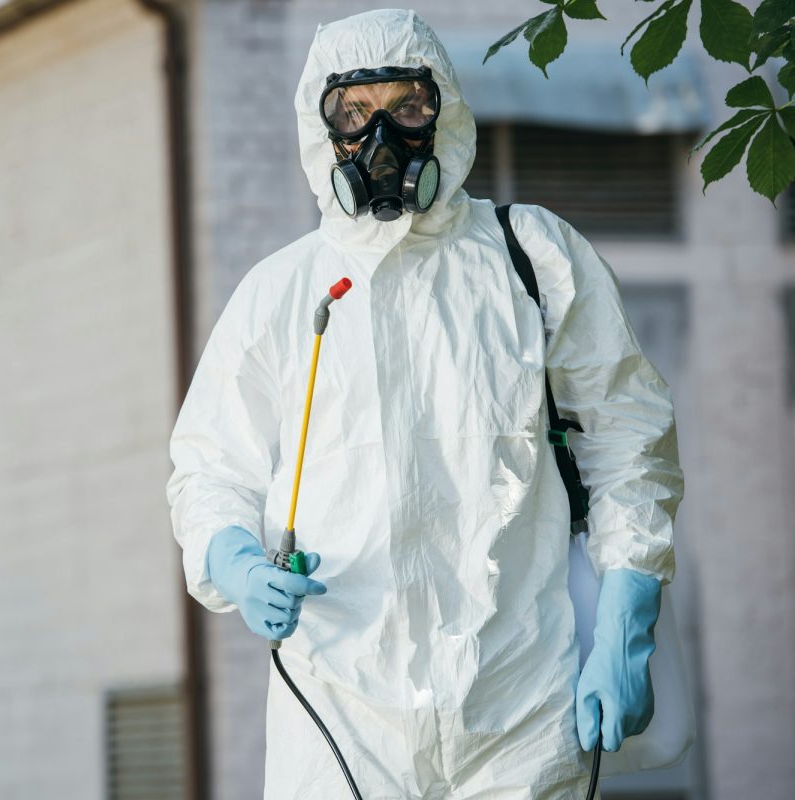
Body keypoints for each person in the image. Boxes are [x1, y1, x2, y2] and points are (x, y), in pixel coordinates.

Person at [166, 8, 684, 800]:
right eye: (354, 116)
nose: (383, 140)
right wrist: (232, 562)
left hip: (519, 705)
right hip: (336, 715)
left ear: (442, 109)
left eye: (407, 108)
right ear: (323, 133)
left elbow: (627, 440)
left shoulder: (531, 259)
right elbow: (207, 472)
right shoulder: (280, 295)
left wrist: (624, 618)